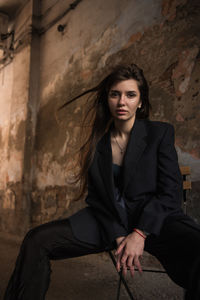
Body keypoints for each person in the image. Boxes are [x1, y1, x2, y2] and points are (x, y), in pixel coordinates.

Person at [4, 64, 200, 300]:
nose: (121, 102)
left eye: (130, 95)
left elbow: (170, 192)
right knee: (36, 240)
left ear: (141, 102)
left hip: (153, 220)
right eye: (115, 94)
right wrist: (118, 233)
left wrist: (139, 233)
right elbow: (97, 198)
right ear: (107, 99)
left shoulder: (160, 133)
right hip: (109, 220)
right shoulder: (97, 144)